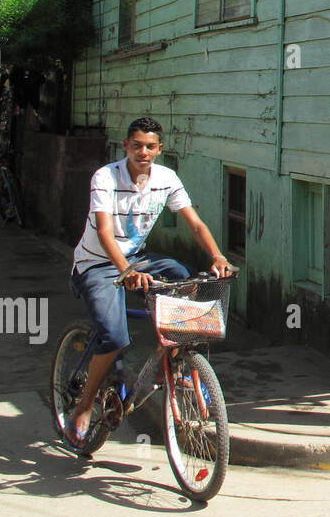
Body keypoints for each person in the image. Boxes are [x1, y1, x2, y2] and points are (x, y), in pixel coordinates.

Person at [65, 117, 233, 447]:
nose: (144, 152)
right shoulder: (106, 177)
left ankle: (168, 360)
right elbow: (102, 231)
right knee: (114, 337)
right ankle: (83, 408)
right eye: (137, 145)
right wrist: (126, 271)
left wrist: (217, 256)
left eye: (150, 146)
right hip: (97, 264)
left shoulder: (166, 178)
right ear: (126, 146)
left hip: (137, 259)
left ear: (160, 149)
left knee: (186, 279)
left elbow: (195, 224)